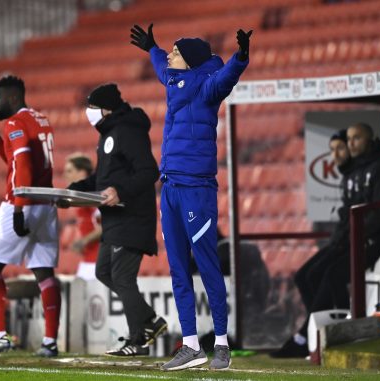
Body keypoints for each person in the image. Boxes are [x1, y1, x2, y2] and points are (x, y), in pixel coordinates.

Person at [130, 24, 251, 370]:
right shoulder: (173, 81)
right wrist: (151, 47)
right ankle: (191, 344)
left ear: (192, 61)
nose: (170, 56)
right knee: (178, 269)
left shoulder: (207, 87)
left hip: (197, 189)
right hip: (168, 188)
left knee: (208, 267)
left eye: (175, 52)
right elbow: (159, 64)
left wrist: (241, 57)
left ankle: (222, 345)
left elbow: (226, 77)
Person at [0, 76, 61, 358]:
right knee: (44, 272)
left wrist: (18, 207)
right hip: (46, 204)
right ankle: (50, 342)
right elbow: (15, 160)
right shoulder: (41, 119)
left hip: (22, 202)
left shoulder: (16, 123)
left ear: (13, 98)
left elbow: (23, 164)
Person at [67, 83, 167, 357]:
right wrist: (75, 188)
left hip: (132, 217)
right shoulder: (108, 135)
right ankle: (150, 321)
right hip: (114, 220)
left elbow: (149, 171)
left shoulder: (128, 131)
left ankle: (138, 340)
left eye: (92, 108)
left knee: (122, 277)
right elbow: (103, 178)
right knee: (104, 272)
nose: (89, 114)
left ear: (107, 109)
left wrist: (120, 191)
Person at [272, 124, 380, 358]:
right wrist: (343, 238)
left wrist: (355, 235)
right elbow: (349, 213)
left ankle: (323, 335)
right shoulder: (354, 170)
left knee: (331, 275)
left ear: (371, 139)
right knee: (305, 275)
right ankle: (318, 332)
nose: (351, 143)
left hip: (373, 240)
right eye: (350, 139)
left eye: (356, 139)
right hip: (350, 238)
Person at [63, 154, 102, 281]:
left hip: (97, 260)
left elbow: (106, 225)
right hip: (88, 258)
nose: (66, 175)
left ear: (82, 172)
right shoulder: (83, 195)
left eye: (70, 171)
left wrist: (83, 241)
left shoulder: (91, 195)